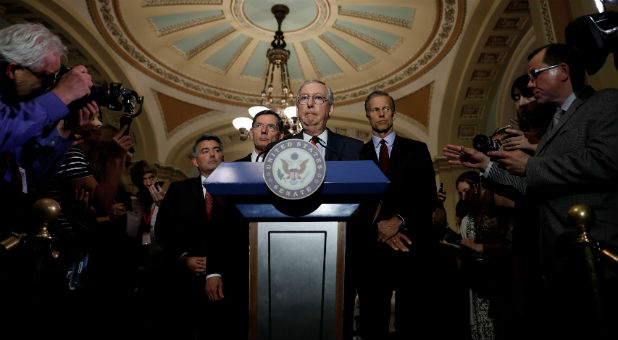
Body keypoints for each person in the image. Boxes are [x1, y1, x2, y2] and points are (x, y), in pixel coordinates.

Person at [443, 43, 618, 339]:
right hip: (555, 259)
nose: (529, 83)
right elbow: (530, 187)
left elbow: (607, 161)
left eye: (535, 74)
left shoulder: (604, 103)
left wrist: (531, 166)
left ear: (563, 71)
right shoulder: (555, 123)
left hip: (595, 250)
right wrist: (486, 165)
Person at [357, 90, 444, 339]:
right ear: (368, 115)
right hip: (371, 251)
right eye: (375, 109)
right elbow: (355, 204)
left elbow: (427, 196)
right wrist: (378, 229)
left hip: (411, 247)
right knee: (372, 323)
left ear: (393, 114)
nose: (381, 113)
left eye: (385, 109)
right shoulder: (358, 155)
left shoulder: (417, 149)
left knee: (413, 322)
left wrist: (398, 221)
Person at [0, 22, 95, 238]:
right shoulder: (18, 113)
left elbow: (32, 174)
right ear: (13, 70)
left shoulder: (21, 108)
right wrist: (62, 95)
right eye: (45, 78)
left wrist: (65, 131)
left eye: (55, 79)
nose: (50, 87)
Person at [156, 133, 244, 339]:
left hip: (227, 283)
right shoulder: (179, 190)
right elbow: (163, 230)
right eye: (205, 151)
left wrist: (216, 268)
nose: (212, 154)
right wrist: (183, 258)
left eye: (217, 150)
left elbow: (238, 236)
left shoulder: (237, 191)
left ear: (223, 158)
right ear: (195, 161)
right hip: (184, 283)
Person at [291, 78, 363, 160]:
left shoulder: (354, 148)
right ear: (297, 110)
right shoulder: (279, 149)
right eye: (304, 98)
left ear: (330, 109)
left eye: (318, 98)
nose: (310, 103)